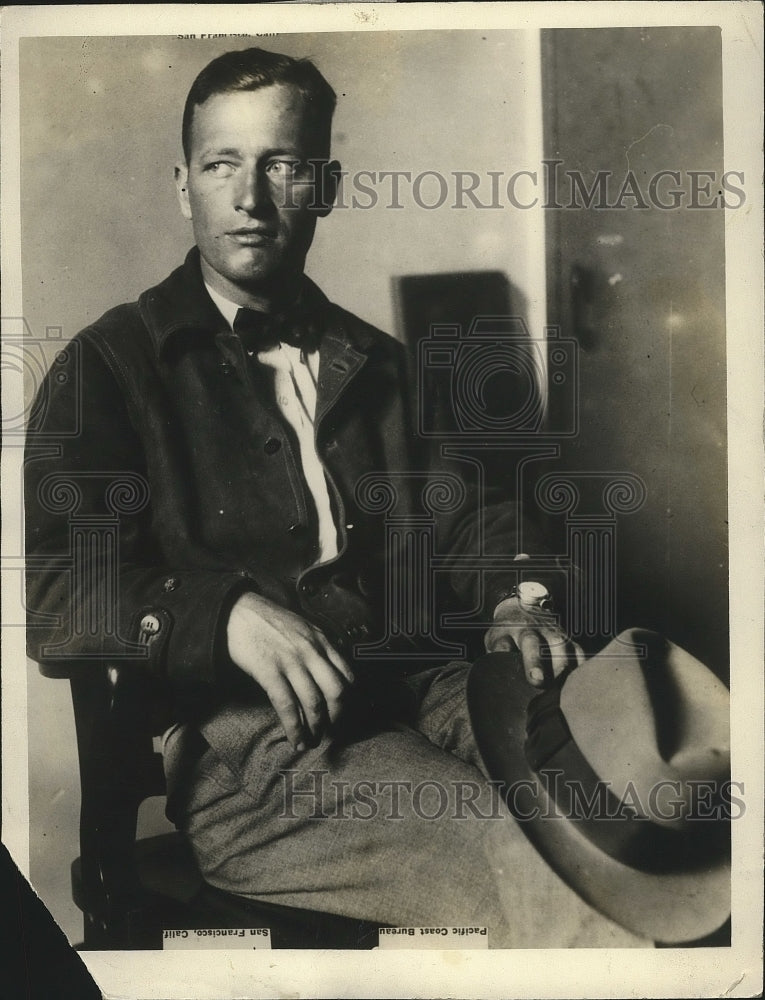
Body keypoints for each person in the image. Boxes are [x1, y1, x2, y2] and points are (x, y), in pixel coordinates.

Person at [25, 47, 645, 947]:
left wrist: (519, 596)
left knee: (640, 805)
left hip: (426, 686)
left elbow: (469, 511)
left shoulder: (377, 362)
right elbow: (56, 595)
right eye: (220, 164)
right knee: (542, 870)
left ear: (326, 183)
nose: (249, 196)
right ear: (181, 184)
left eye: (280, 163)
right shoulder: (110, 366)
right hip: (253, 745)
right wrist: (222, 611)